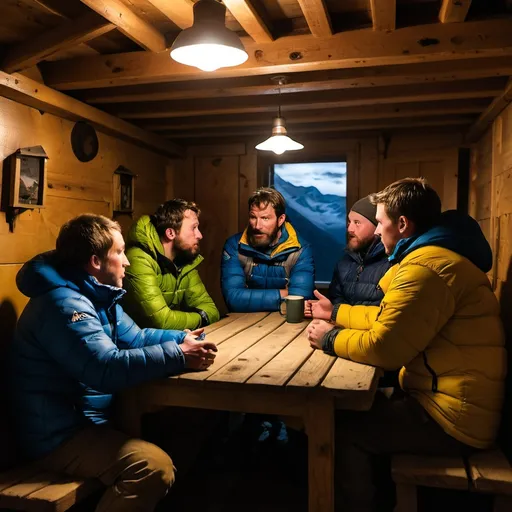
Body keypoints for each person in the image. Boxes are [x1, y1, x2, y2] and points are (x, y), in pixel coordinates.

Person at [306, 178, 506, 512]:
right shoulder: (438, 258)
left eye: (381, 222)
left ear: (402, 224)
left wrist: (328, 337)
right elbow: (391, 318)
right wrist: (337, 312)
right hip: (455, 402)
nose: (380, 231)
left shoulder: (425, 269)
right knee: (355, 406)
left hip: (451, 418)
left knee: (339, 427)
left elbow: (386, 349)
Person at [10, 214, 218, 512]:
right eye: (119, 253)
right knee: (152, 467)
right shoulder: (64, 305)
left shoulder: (94, 295)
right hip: (56, 434)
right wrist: (179, 355)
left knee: (183, 424)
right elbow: (104, 368)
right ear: (96, 261)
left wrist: (182, 338)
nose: (127, 262)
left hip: (87, 419)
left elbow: (135, 337)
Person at [123, 199, 220, 331]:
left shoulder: (183, 259)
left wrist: (200, 316)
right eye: (193, 228)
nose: (200, 235)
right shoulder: (139, 260)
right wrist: (201, 317)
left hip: (166, 343)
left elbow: (211, 310)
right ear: (170, 233)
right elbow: (162, 322)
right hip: (136, 347)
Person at [221, 187, 315, 312]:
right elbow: (234, 299)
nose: (257, 226)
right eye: (253, 217)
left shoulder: (300, 250)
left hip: (287, 325)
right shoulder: (234, 246)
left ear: (280, 219)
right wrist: (284, 294)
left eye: (265, 218)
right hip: (241, 325)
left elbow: (300, 301)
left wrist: (248, 297)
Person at [305, 195, 389, 318]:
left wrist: (334, 313)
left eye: (357, 223)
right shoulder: (344, 263)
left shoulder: (391, 263)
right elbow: (335, 303)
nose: (350, 229)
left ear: (377, 226)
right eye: (349, 222)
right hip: (343, 330)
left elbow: (385, 316)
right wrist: (324, 308)